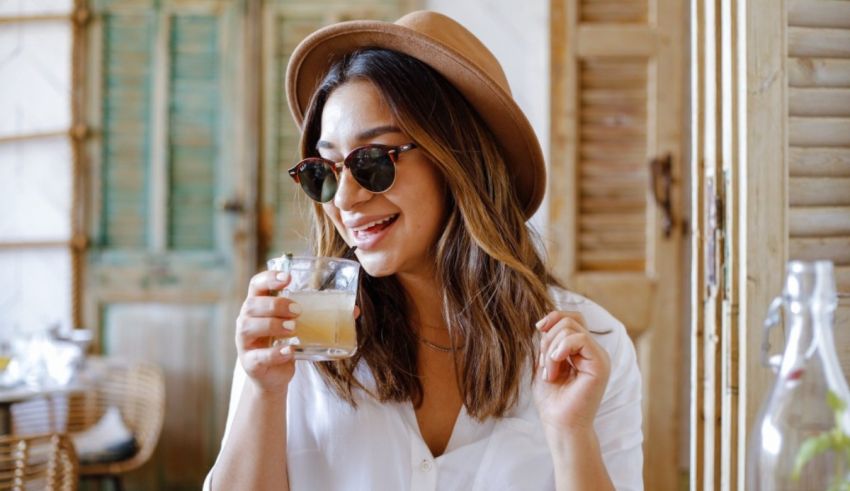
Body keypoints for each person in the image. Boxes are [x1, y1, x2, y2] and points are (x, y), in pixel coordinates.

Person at [205, 10, 642, 491]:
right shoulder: (296, 337)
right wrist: (262, 393)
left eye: (372, 161)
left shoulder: (589, 352)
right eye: (324, 171)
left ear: (457, 161)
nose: (345, 200)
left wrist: (569, 434)